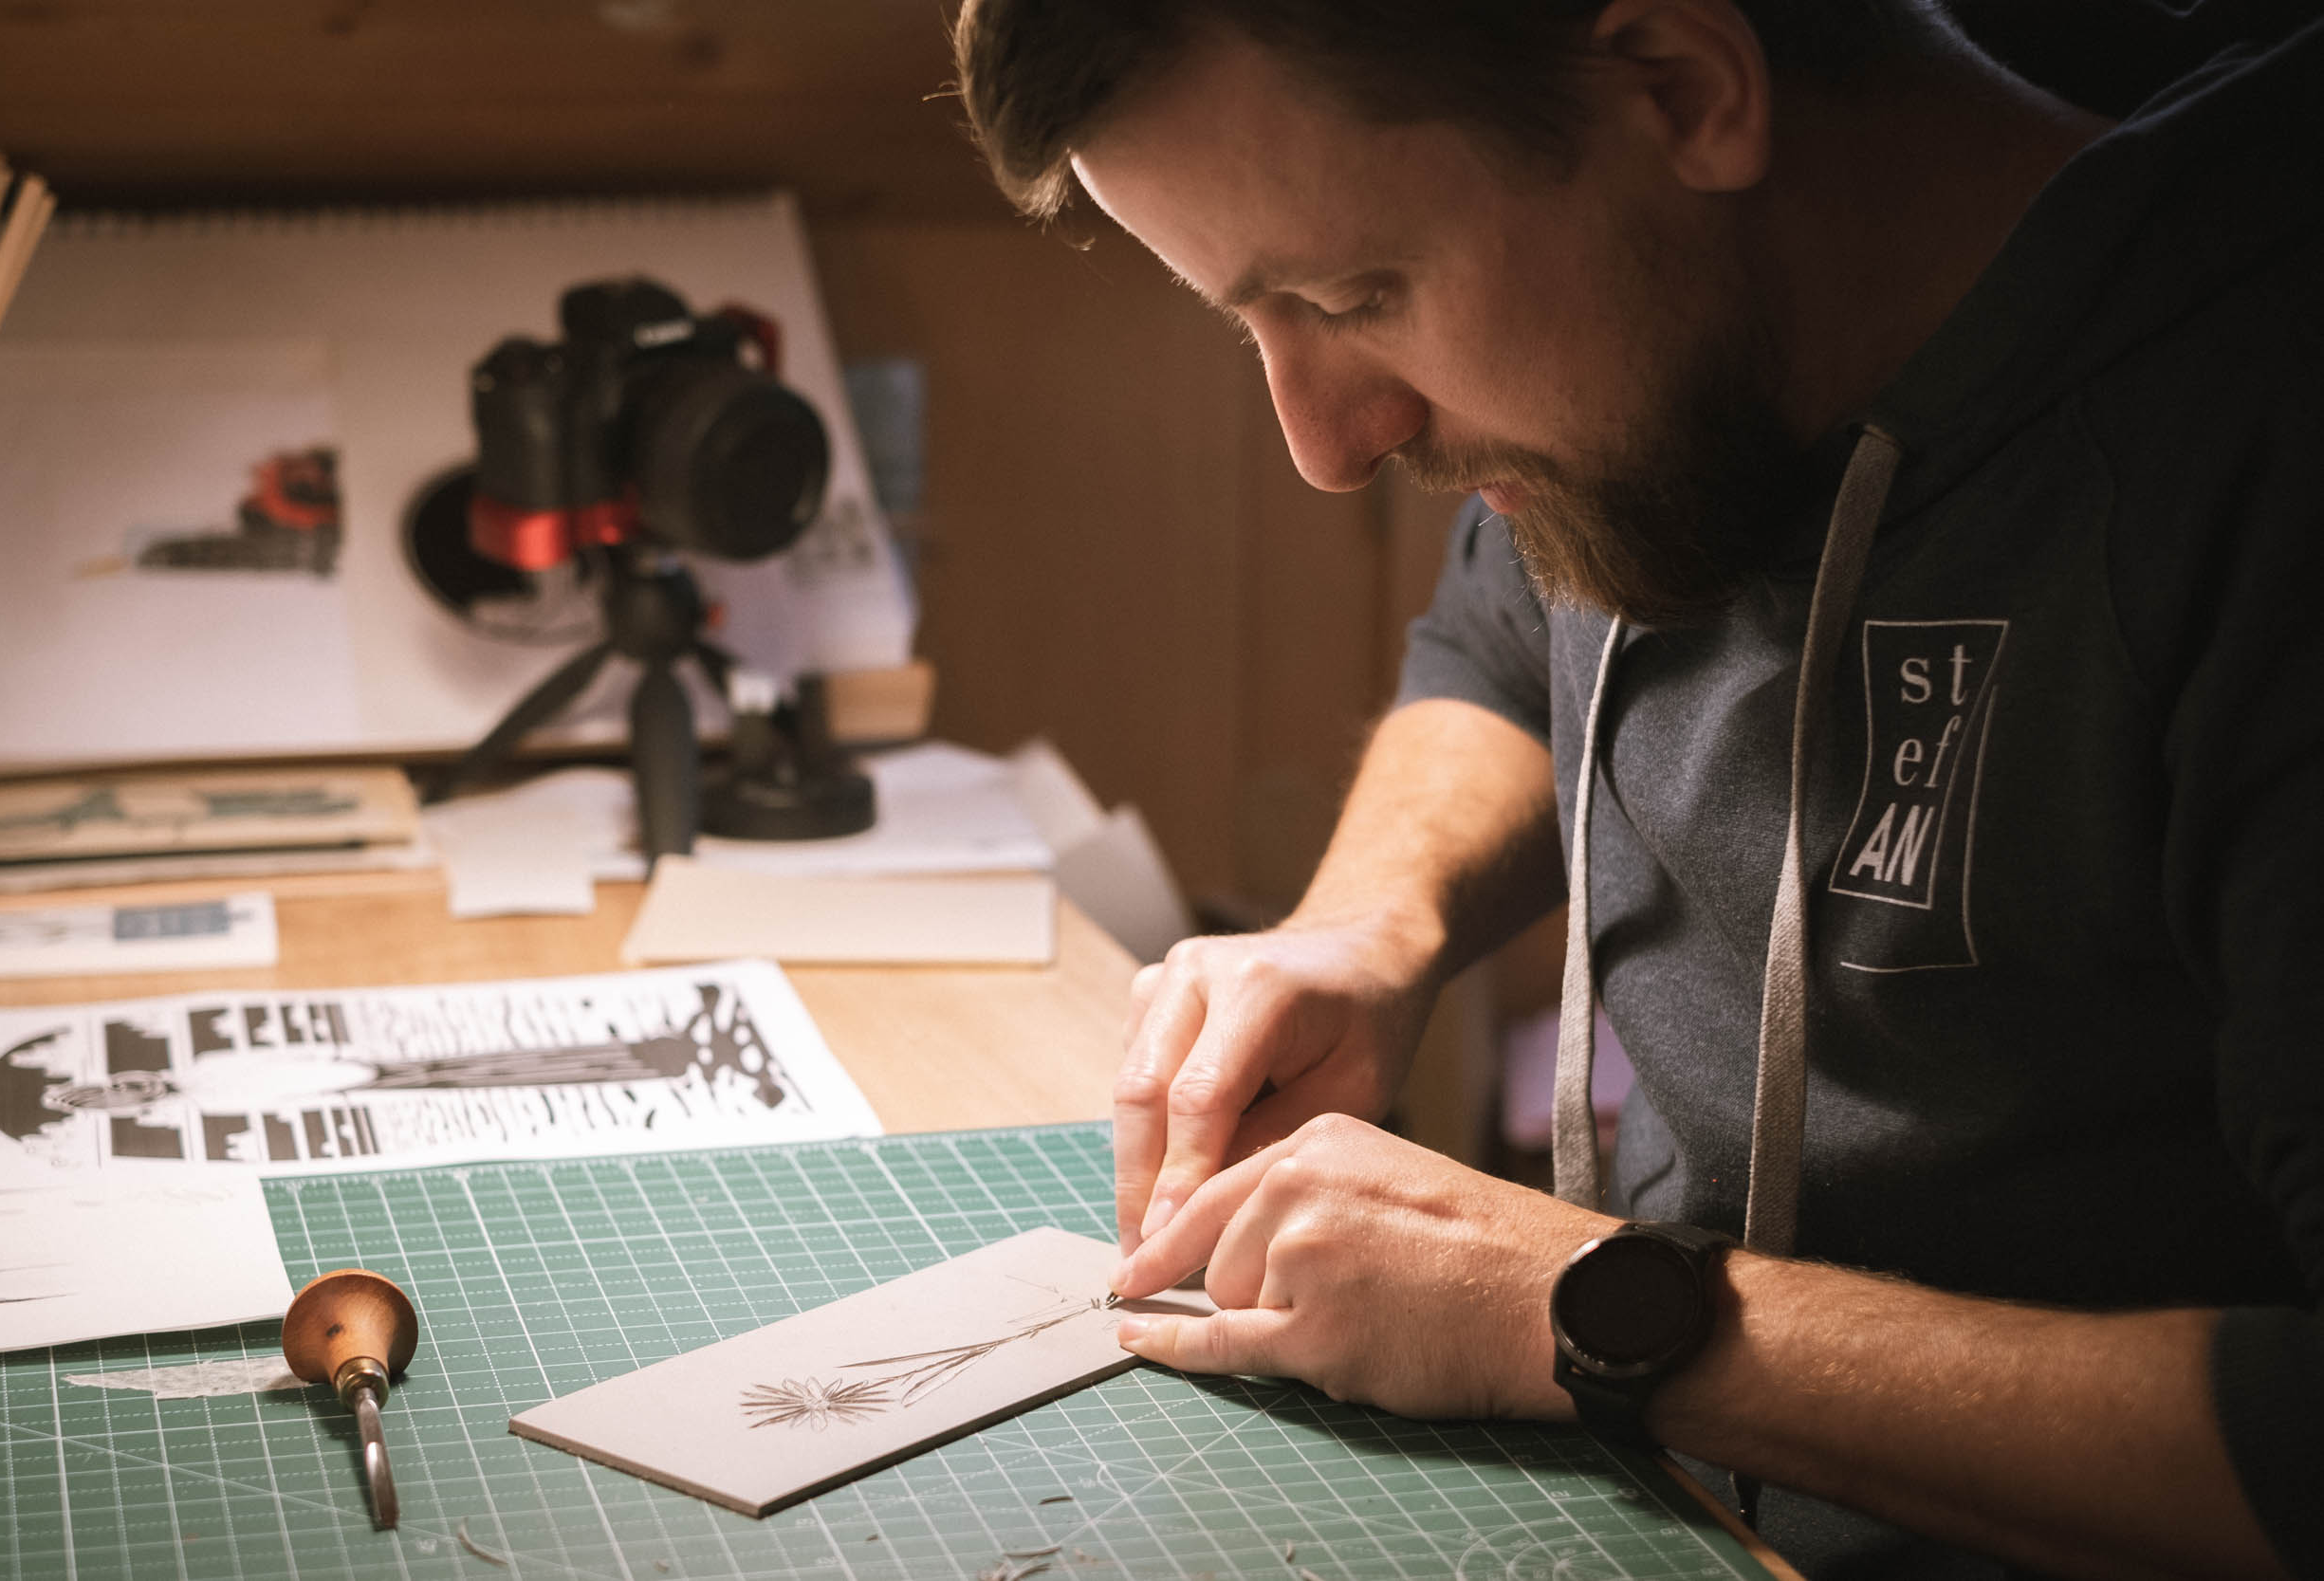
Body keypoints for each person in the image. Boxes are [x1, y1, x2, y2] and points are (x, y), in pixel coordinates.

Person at [950, 2, 2324, 1576]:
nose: (1327, 445)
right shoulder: (1659, 353)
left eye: (1352, 296)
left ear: (1680, 87)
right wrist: (1368, 926)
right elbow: (1506, 636)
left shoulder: (2259, 451)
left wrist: (1590, 1309)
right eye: (1247, 320)